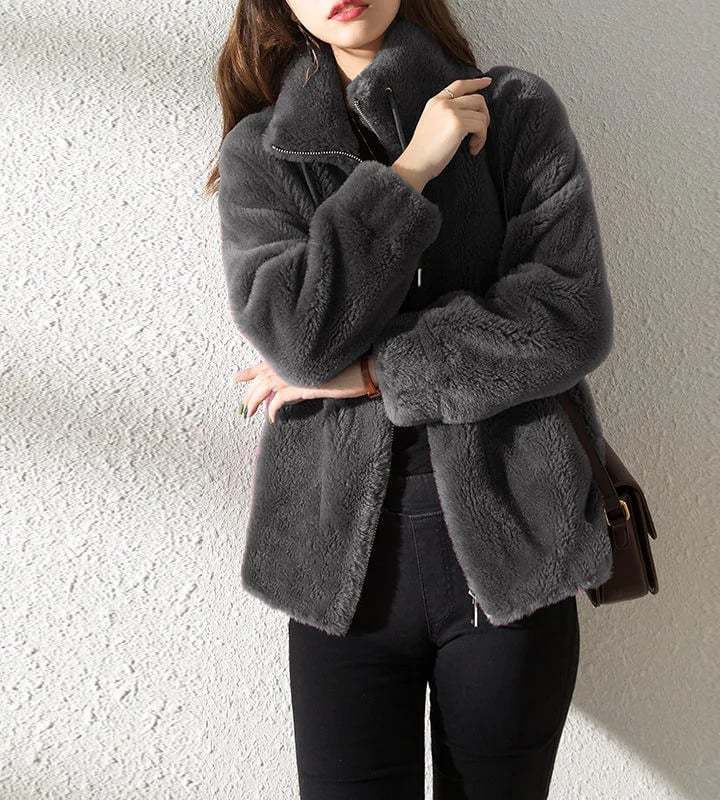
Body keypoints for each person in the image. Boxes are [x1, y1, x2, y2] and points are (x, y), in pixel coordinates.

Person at [207, 1, 615, 797]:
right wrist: (410, 172)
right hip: (337, 576)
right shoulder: (263, 152)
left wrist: (370, 372)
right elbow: (299, 341)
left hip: (513, 555)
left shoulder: (515, 111)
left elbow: (568, 321)